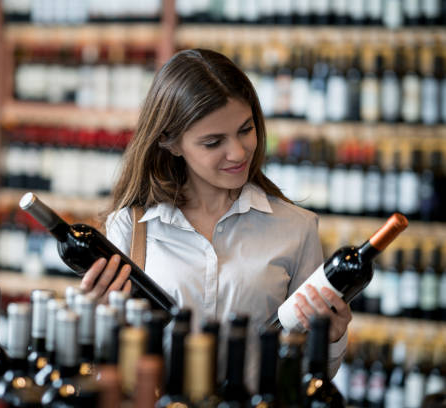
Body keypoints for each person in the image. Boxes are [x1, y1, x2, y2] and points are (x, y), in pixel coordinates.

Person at [79, 48, 351, 391]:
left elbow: (313, 376)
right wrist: (92, 320)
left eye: (246, 129)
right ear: (169, 141)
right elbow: (107, 366)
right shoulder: (130, 228)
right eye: (213, 142)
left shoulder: (297, 228)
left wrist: (331, 337)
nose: (237, 152)